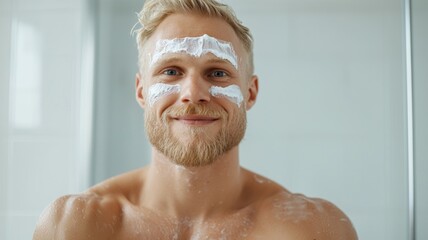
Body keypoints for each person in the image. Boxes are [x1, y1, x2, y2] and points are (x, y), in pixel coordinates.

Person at [33, 0, 358, 239]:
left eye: (217, 73)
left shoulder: (311, 230)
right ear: (142, 91)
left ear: (250, 93)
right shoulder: (76, 226)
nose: (193, 93)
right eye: (171, 71)